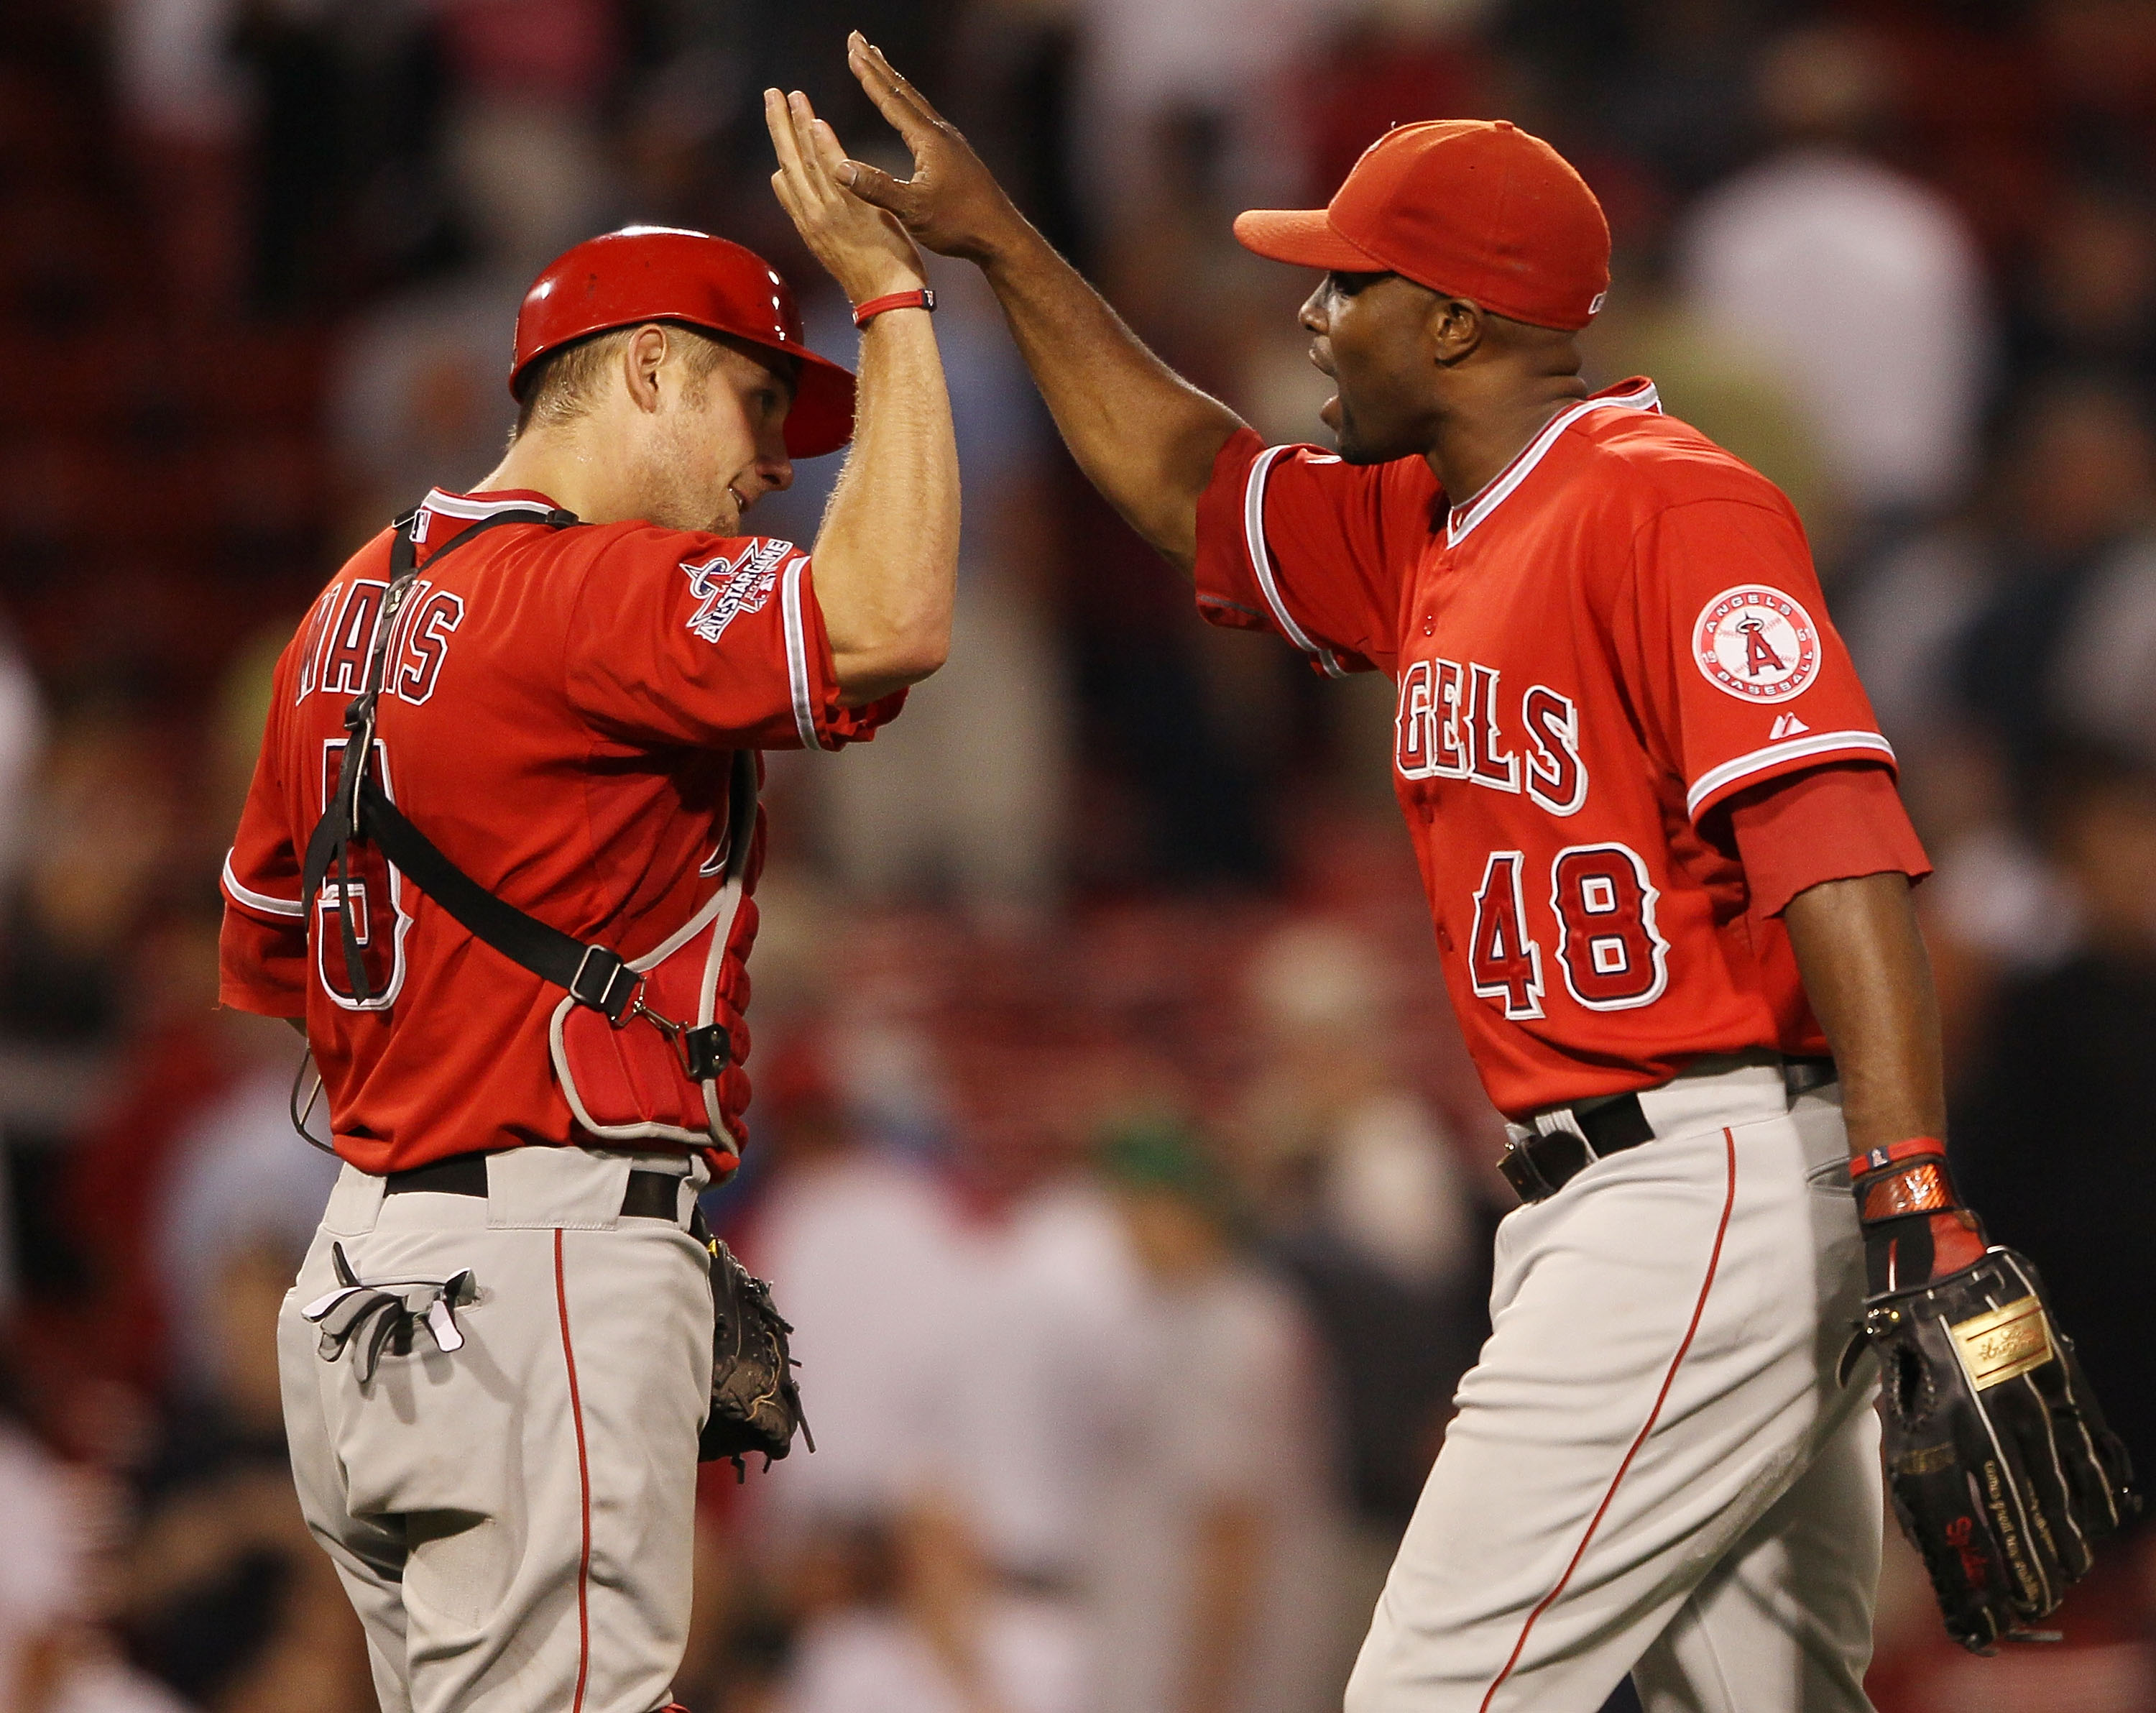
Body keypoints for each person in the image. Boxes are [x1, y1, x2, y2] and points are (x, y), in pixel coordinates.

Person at [830, 37, 1958, 1711]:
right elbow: (1183, 481)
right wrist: (1000, 240)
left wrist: (1914, 1194)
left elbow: (1840, 851)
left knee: (1431, 1694)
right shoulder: (1431, 528)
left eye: (1345, 285)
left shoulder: (1669, 505)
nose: (1310, 314)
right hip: (1650, 1193)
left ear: (1454, 323)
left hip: (1701, 1187)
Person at [216, 88, 958, 1713]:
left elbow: (275, 951)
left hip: (360, 1284)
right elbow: (887, 616)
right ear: (643, 371)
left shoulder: (342, 608)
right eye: (760, 404)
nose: (775, 465)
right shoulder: (587, 590)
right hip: (531, 1266)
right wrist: (893, 303)